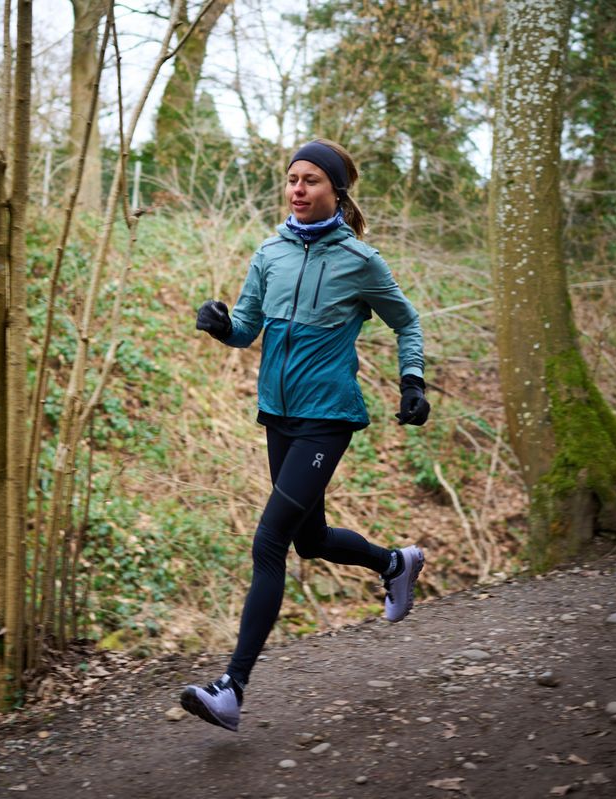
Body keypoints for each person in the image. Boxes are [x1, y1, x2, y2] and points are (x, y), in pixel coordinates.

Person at [180, 139, 431, 733]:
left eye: (311, 179)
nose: (297, 188)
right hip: (279, 415)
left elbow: (407, 321)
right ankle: (395, 562)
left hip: (328, 418)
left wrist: (413, 380)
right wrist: (222, 326)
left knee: (268, 543)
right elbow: (247, 328)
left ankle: (231, 688)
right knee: (310, 540)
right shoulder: (269, 252)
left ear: (336, 193)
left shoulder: (360, 261)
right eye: (292, 178)